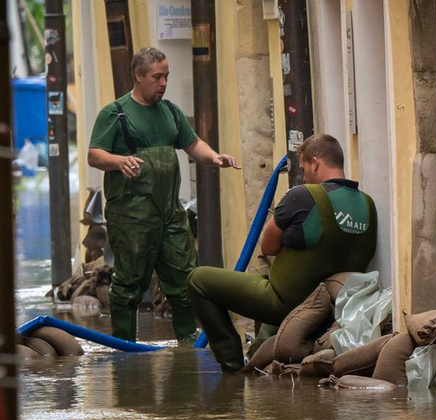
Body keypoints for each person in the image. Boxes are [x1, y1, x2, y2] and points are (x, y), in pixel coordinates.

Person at [86, 46, 241, 344]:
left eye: (166, 76)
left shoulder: (170, 111)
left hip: (170, 213)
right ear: (139, 75)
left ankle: (188, 342)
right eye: (157, 76)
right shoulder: (115, 113)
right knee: (129, 283)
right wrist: (119, 161)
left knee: (185, 279)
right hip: (131, 216)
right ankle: (124, 347)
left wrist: (215, 157)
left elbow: (193, 144)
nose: (164, 82)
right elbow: (94, 155)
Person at [188, 134, 378, 372]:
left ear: (315, 162)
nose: (304, 175)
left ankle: (232, 366)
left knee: (198, 279)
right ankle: (257, 355)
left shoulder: (303, 195)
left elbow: (267, 246)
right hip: (335, 307)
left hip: (285, 301)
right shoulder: (368, 205)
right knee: (263, 337)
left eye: (304, 167)